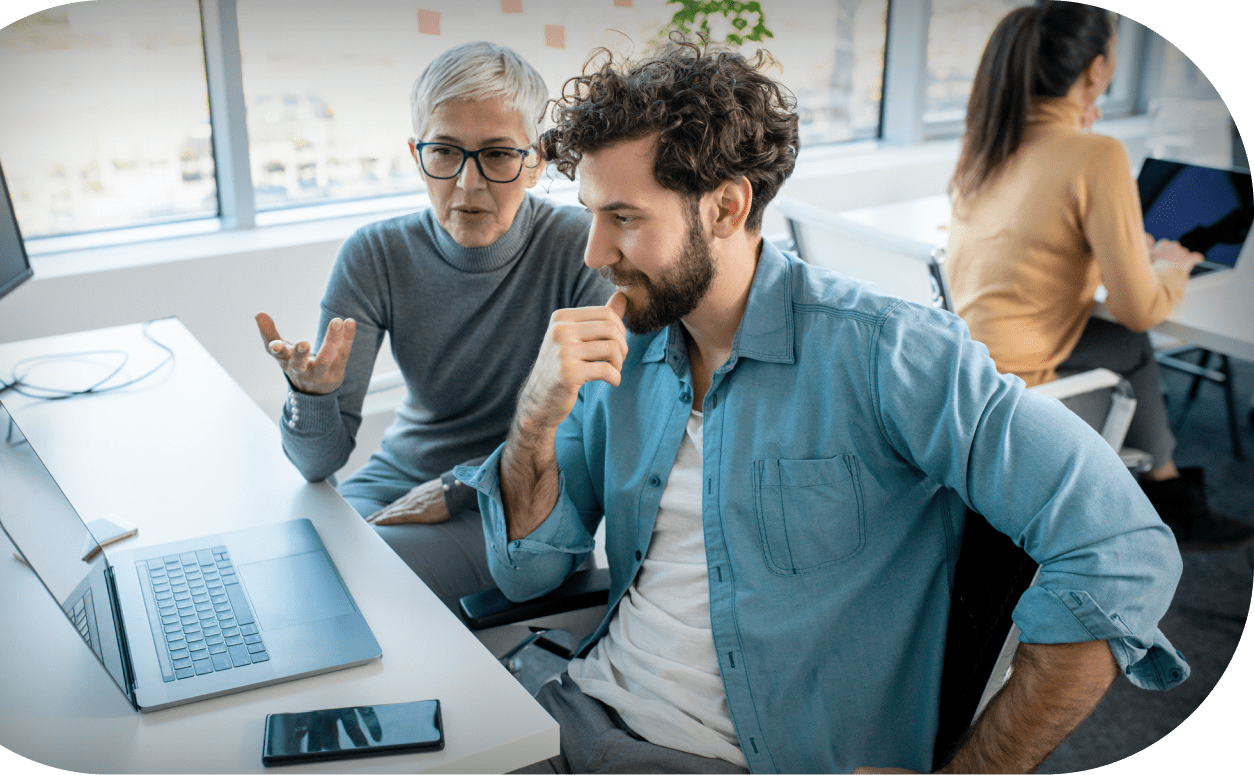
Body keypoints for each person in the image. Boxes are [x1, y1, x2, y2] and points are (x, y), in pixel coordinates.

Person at [453, 39, 1189, 774]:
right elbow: (527, 576)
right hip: (568, 711)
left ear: (725, 206)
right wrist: (536, 418)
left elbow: (1121, 549)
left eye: (624, 217)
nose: (592, 252)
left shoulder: (886, 353)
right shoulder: (630, 342)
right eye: (591, 213)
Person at [255, 42, 612, 615]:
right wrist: (312, 397)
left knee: (340, 580)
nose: (468, 185)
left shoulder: (581, 248)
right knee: (286, 557)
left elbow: (589, 441)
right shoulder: (375, 254)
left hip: (522, 498)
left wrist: (458, 487)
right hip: (403, 471)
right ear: (417, 153)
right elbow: (317, 462)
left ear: (537, 159)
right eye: (445, 152)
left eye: (497, 155)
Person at [944, 1, 1251, 549]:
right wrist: (1170, 265)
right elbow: (1141, 307)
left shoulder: (984, 144)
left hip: (968, 369)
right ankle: (1170, 494)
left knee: (1121, 343)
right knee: (1132, 333)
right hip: (1024, 388)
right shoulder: (1095, 155)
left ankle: (1167, 484)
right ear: (1096, 71)